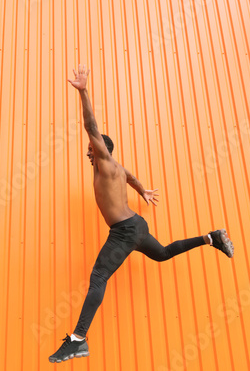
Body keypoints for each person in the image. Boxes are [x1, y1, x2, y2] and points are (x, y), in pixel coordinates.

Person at [48, 65, 234, 363]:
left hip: (124, 230)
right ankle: (210, 238)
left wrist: (83, 92)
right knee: (161, 254)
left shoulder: (105, 162)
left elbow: (91, 125)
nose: (88, 153)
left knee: (98, 277)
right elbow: (131, 176)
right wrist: (143, 191)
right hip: (136, 225)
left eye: (91, 149)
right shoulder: (116, 168)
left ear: (101, 149)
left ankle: (77, 339)